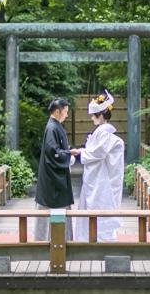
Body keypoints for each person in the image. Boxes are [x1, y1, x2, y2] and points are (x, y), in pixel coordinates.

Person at [72, 90, 125, 242]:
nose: (91, 118)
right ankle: (93, 236)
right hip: (99, 177)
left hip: (102, 179)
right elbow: (95, 152)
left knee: (101, 205)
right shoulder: (103, 132)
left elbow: (98, 153)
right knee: (96, 206)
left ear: (100, 116)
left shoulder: (104, 133)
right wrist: (82, 152)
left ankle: (99, 238)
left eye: (94, 115)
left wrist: (81, 153)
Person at [34, 98, 76, 241]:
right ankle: (53, 241)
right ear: (57, 111)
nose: (67, 115)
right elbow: (53, 152)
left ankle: (58, 240)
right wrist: (69, 154)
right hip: (52, 180)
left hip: (53, 177)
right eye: (65, 112)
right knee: (51, 209)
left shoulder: (55, 126)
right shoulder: (52, 127)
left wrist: (68, 153)